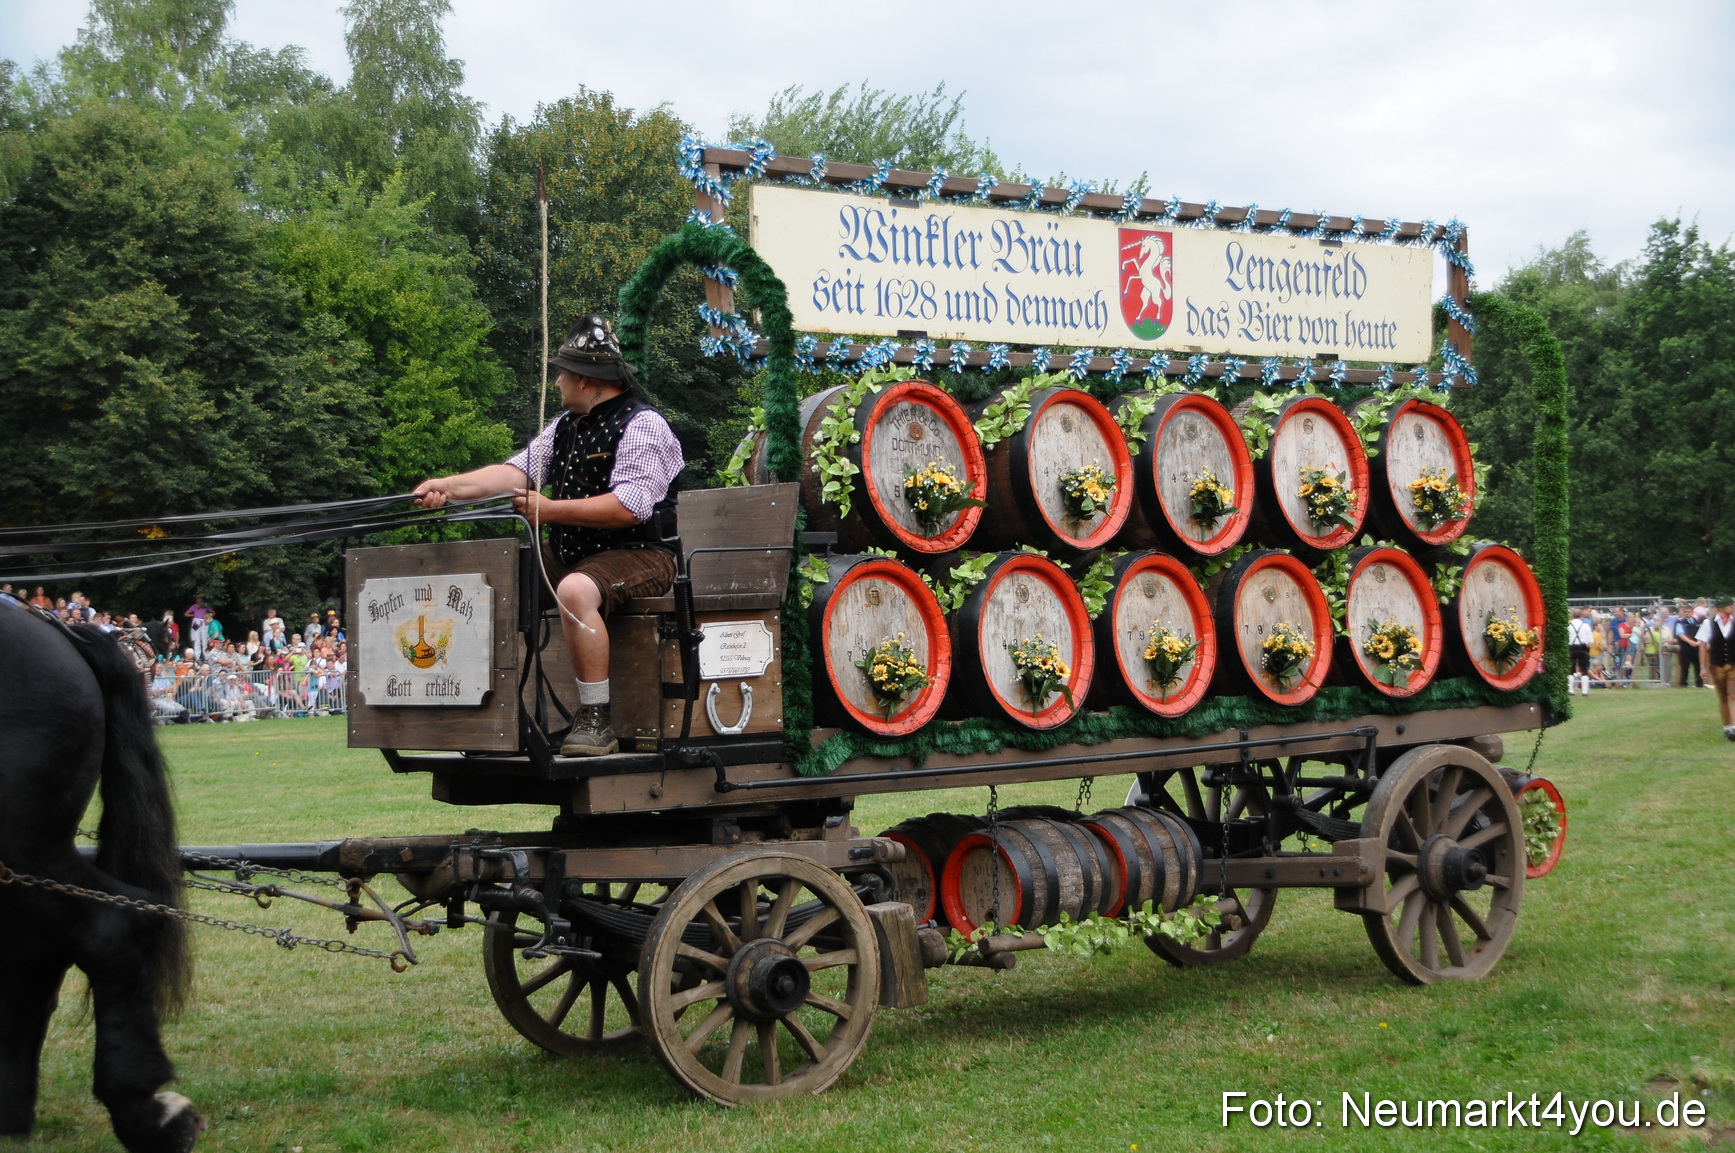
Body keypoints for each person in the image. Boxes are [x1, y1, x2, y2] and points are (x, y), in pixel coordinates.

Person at [413, 315, 683, 757]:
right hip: (575, 553)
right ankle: (490, 713)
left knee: (575, 590)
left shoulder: (643, 424)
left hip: (641, 556)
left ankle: (597, 721)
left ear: (584, 379)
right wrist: (449, 485)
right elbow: (513, 473)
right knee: (493, 581)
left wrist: (551, 510)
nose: (556, 382)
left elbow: (630, 507)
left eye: (561, 374)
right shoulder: (563, 427)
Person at [1697, 597, 1735, 740]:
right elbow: (1702, 645)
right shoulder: (1708, 624)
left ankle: (1734, 727)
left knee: (1733, 695)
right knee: (1723, 697)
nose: (1732, 607)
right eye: (1728, 605)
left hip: (1733, 665)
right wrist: (1703, 667)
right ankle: (1727, 727)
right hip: (1716, 665)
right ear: (1719, 608)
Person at [1567, 608, 1593, 697]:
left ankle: (1571, 690)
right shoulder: (1586, 626)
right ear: (1581, 616)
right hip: (1583, 648)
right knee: (1584, 669)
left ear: (1572, 616)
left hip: (1571, 648)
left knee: (1570, 669)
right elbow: (1590, 641)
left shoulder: (1568, 626)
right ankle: (1585, 691)